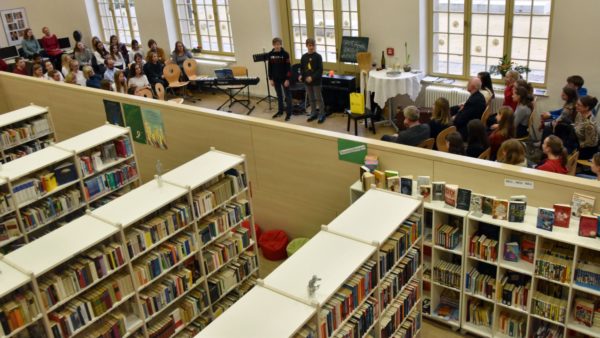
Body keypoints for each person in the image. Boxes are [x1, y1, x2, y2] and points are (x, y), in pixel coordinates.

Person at [300, 38, 326, 123]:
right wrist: (303, 76)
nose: (311, 47)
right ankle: (313, 113)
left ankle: (322, 114)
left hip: (316, 81)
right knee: (311, 98)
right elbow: (302, 69)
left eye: (313, 45)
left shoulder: (318, 56)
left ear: (315, 46)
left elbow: (320, 70)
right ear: (306, 46)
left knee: (318, 98)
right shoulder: (304, 57)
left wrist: (312, 77)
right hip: (307, 81)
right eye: (310, 45)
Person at [268, 37, 292, 121]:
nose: (277, 46)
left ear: (281, 44)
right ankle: (280, 111)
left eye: (279, 44)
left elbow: (289, 68)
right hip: (275, 78)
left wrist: (287, 79)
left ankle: (289, 113)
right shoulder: (270, 54)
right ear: (273, 45)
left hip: (284, 79)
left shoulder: (285, 54)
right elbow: (270, 68)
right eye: (275, 44)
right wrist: (270, 79)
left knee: (287, 96)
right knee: (279, 95)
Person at [573, 95, 599, 160]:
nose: (576, 105)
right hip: (578, 141)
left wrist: (577, 146)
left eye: (579, 105)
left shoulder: (589, 124)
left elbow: (590, 143)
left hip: (586, 150)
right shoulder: (580, 114)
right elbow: (576, 126)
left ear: (587, 108)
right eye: (576, 103)